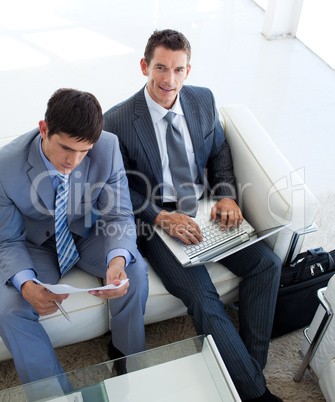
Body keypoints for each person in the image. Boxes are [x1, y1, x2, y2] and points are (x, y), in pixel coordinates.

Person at [103, 29, 283, 401]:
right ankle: (258, 395)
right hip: (158, 223)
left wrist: (227, 196)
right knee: (202, 298)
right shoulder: (117, 121)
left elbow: (219, 153)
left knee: (267, 264)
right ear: (144, 67)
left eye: (179, 70)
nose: (169, 80)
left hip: (205, 209)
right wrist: (159, 217)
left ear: (188, 70)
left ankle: (247, 373)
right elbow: (120, 187)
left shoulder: (203, 100)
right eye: (161, 68)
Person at [0, 89, 148, 388]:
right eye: (67, 148)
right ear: (44, 129)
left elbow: (118, 215)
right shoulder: (6, 165)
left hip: (86, 232)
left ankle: (128, 361)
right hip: (34, 243)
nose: (74, 161)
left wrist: (117, 260)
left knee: (134, 271)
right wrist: (26, 284)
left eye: (84, 151)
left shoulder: (107, 147)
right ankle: (56, 394)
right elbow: (7, 240)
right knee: (9, 308)